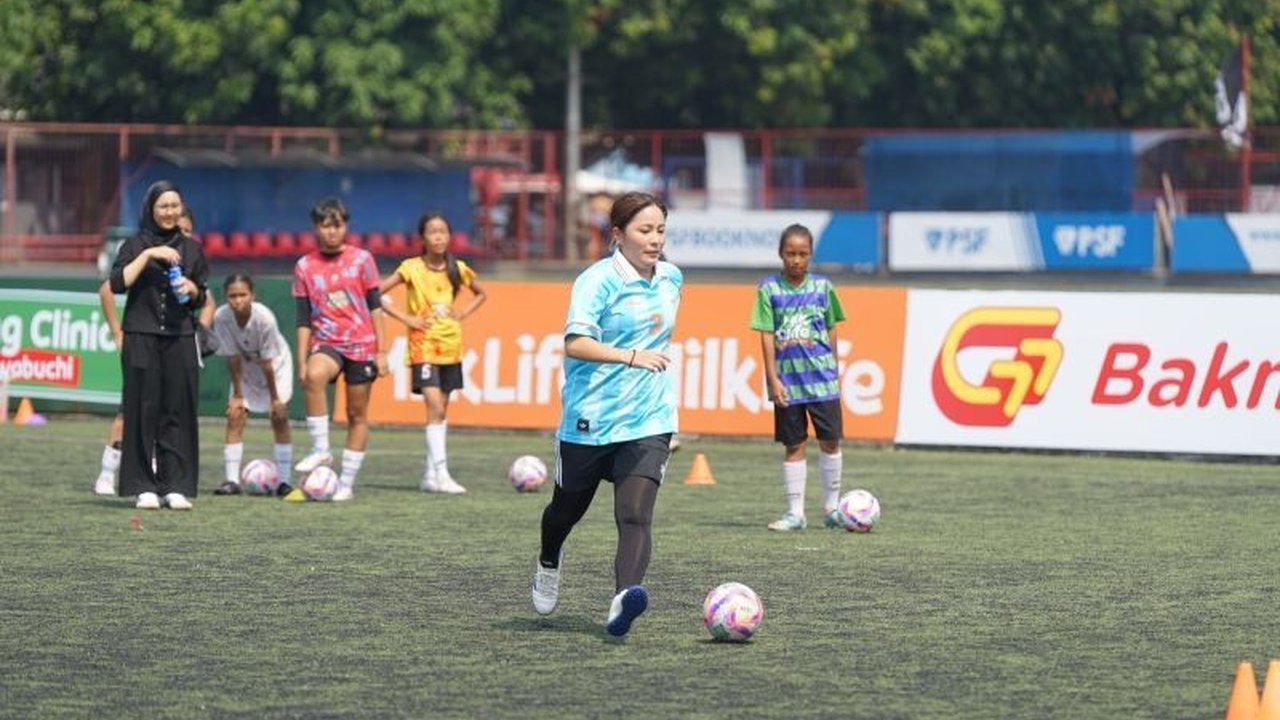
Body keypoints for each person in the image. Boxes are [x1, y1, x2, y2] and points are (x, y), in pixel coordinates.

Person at [530, 191, 682, 637]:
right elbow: (574, 344)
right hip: (590, 419)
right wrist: (631, 356)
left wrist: (645, 370)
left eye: (660, 230)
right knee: (565, 511)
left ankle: (623, 601)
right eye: (644, 230)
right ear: (618, 235)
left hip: (649, 418)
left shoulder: (672, 278)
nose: (655, 239)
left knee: (635, 514)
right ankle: (548, 559)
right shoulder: (596, 281)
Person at [94, 207, 215, 496]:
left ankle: (170, 482)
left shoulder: (191, 258)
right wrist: (118, 333)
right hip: (144, 342)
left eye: (185, 232)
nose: (179, 237)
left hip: (178, 342)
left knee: (172, 411)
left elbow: (206, 300)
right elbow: (108, 289)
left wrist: (198, 331)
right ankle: (109, 473)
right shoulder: (140, 250)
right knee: (131, 411)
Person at [378, 212, 487, 494]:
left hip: (451, 346)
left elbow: (481, 293)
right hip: (422, 345)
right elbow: (375, 293)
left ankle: (429, 475)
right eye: (432, 232)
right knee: (435, 407)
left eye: (443, 232)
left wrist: (462, 312)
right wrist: (407, 318)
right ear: (422, 238)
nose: (438, 237)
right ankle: (442, 473)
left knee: (442, 411)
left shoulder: (458, 268)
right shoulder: (411, 268)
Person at [291, 197, 389, 502]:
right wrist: (302, 360)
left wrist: (382, 350)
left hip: (361, 345)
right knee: (315, 377)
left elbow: (375, 306)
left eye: (337, 225)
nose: (331, 231)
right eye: (325, 225)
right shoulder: (304, 266)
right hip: (327, 342)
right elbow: (303, 317)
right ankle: (321, 449)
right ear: (316, 228)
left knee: (356, 414)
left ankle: (345, 482)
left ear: (345, 226)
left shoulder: (362, 260)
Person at [750, 223, 847, 531]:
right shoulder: (769, 290)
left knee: (830, 441)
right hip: (788, 384)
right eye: (790, 253)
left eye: (802, 254)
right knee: (794, 444)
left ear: (811, 255)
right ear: (780, 254)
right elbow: (765, 334)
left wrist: (833, 363)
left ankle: (833, 508)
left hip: (823, 381)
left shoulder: (823, 288)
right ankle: (796, 513)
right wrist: (772, 378)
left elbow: (832, 326)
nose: (796, 260)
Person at [209, 273, 295, 496]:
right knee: (235, 416)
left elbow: (267, 363)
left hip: (276, 366)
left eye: (243, 295)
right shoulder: (221, 317)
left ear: (252, 295)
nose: (238, 300)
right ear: (226, 297)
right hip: (246, 365)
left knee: (279, 417)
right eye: (233, 295)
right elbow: (232, 357)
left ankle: (284, 482)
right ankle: (231, 480)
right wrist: (238, 395)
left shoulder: (264, 318)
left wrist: (275, 399)